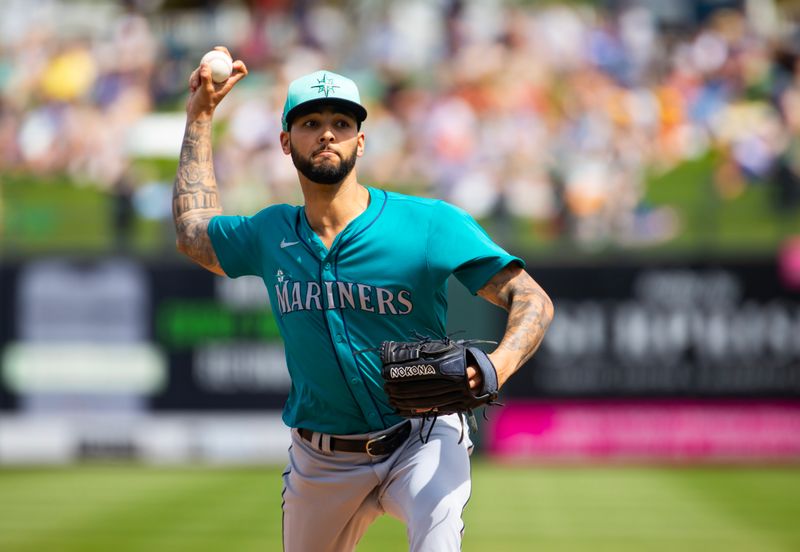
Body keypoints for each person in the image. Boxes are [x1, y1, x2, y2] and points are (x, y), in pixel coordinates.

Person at [173, 47, 554, 552]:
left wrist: (497, 366)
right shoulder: (270, 233)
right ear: (286, 142)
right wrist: (201, 115)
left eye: (341, 122)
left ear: (361, 140)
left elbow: (530, 297)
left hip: (422, 438)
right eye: (310, 122)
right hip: (322, 458)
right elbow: (192, 234)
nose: (327, 132)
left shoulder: (426, 224)